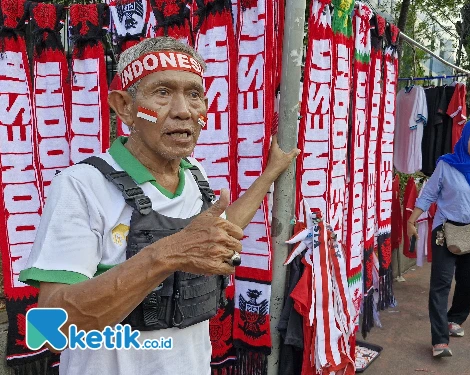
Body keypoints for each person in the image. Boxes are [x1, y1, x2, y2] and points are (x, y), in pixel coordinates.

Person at [18, 37, 299, 375]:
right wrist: (168, 254)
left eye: (194, 95)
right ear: (124, 107)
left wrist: (269, 175)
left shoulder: (195, 175)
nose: (184, 111)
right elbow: (52, 327)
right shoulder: (83, 185)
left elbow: (222, 230)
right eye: (163, 93)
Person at [406, 119, 470, 358]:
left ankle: (455, 318)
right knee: (441, 284)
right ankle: (439, 340)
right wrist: (411, 220)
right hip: (445, 230)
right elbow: (428, 194)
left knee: (467, 281)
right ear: (465, 137)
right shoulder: (447, 164)